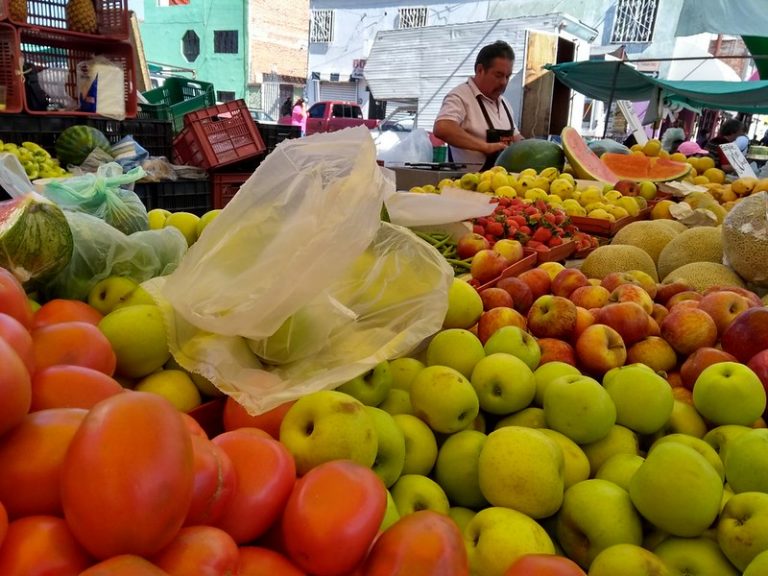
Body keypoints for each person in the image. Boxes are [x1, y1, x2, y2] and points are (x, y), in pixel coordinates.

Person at [433, 40, 523, 170]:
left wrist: (534, 146)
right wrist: (484, 147)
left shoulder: (505, 104)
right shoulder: (460, 96)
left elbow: (515, 137)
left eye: (507, 76)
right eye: (498, 75)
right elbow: (443, 127)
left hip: (503, 184)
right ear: (480, 70)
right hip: (468, 184)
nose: (503, 82)